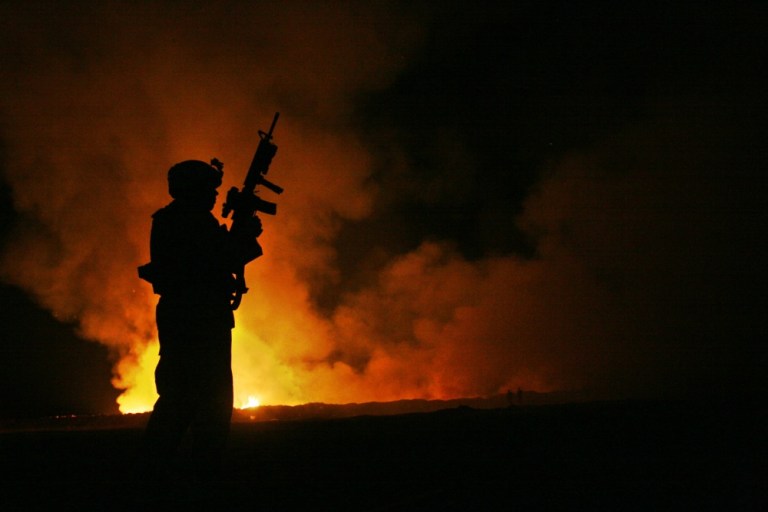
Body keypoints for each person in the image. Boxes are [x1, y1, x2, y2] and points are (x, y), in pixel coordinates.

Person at [137, 159, 262, 493]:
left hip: (189, 314)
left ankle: (166, 469)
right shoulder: (189, 222)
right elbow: (217, 260)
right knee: (203, 397)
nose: (213, 195)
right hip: (199, 315)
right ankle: (196, 472)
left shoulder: (172, 220)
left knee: (186, 395)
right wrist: (246, 236)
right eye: (210, 189)